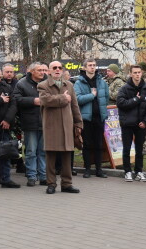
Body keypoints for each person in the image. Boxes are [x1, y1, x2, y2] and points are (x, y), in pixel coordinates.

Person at [38, 61, 83, 194]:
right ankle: (51, 184)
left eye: (59, 68)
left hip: (67, 125)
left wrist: (78, 123)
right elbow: (46, 100)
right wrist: (63, 99)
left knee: (67, 154)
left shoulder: (69, 85)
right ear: (49, 71)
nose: (57, 70)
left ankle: (67, 184)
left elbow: (74, 105)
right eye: (54, 68)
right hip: (51, 125)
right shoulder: (43, 85)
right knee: (51, 155)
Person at [116, 65, 146, 182]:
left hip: (141, 124)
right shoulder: (124, 89)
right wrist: (135, 100)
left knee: (139, 149)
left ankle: (139, 171)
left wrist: (145, 122)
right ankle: (127, 171)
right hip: (127, 123)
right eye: (135, 73)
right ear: (131, 74)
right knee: (127, 149)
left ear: (141, 73)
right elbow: (121, 103)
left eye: (139, 72)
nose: (137, 75)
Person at [74, 58, 109, 178]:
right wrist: (91, 96)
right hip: (86, 118)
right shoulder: (79, 82)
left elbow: (106, 97)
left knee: (99, 144)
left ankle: (99, 169)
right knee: (87, 144)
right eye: (90, 65)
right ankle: (87, 169)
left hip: (99, 117)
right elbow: (77, 99)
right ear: (85, 67)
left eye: (94, 65)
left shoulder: (102, 82)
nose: (92, 67)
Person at [14, 62, 47, 186]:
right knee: (31, 151)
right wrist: (33, 101)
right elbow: (16, 99)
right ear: (32, 71)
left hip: (45, 121)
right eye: (39, 70)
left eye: (43, 70)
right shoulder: (22, 83)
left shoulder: (47, 82)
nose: (42, 72)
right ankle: (32, 176)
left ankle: (43, 176)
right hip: (30, 122)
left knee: (43, 151)